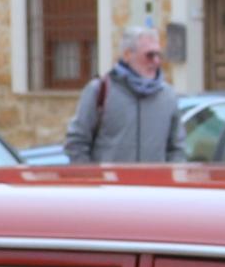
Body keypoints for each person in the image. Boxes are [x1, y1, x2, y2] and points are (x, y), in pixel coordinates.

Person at [64, 21, 180, 165]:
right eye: (149, 55)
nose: (156, 61)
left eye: (158, 55)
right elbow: (77, 142)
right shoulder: (99, 91)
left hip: (154, 186)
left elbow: (177, 148)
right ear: (127, 55)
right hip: (110, 186)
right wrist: (91, 179)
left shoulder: (168, 96)